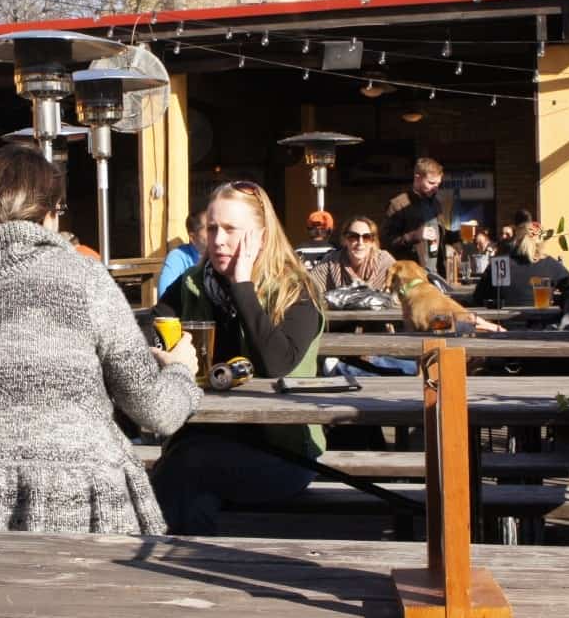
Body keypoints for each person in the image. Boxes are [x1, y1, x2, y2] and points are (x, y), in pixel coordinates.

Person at [0, 144, 201, 535]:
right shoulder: (82, 278)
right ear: (48, 214)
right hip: (81, 508)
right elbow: (157, 413)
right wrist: (182, 371)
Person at [149, 180, 326, 536]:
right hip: (201, 440)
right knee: (185, 479)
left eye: (230, 229)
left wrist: (242, 285)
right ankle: (191, 568)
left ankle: (169, 568)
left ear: (261, 235)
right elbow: (151, 327)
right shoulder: (193, 283)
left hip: (283, 452)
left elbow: (277, 364)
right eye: (212, 228)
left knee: (184, 469)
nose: (217, 240)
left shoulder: (296, 290)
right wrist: (161, 355)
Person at [472, 217, 569, 307]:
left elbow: (478, 298)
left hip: (503, 325)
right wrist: (558, 302)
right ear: (541, 242)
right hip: (544, 324)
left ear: (516, 240)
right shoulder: (551, 265)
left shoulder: (499, 264)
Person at [384, 157, 450, 276]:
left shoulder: (435, 203)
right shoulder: (398, 204)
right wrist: (414, 236)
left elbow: (439, 235)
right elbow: (387, 243)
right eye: (431, 183)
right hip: (412, 276)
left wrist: (458, 236)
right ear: (417, 178)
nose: (435, 188)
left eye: (438, 184)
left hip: (436, 274)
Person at [307, 215, 396, 293]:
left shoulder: (385, 262)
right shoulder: (331, 261)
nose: (360, 243)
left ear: (373, 242)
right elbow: (309, 288)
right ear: (345, 239)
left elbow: (406, 290)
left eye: (366, 237)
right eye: (354, 237)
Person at [156, 209, 207, 295]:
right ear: (192, 237)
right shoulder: (177, 258)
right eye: (209, 228)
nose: (217, 233)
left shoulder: (221, 255)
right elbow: (164, 296)